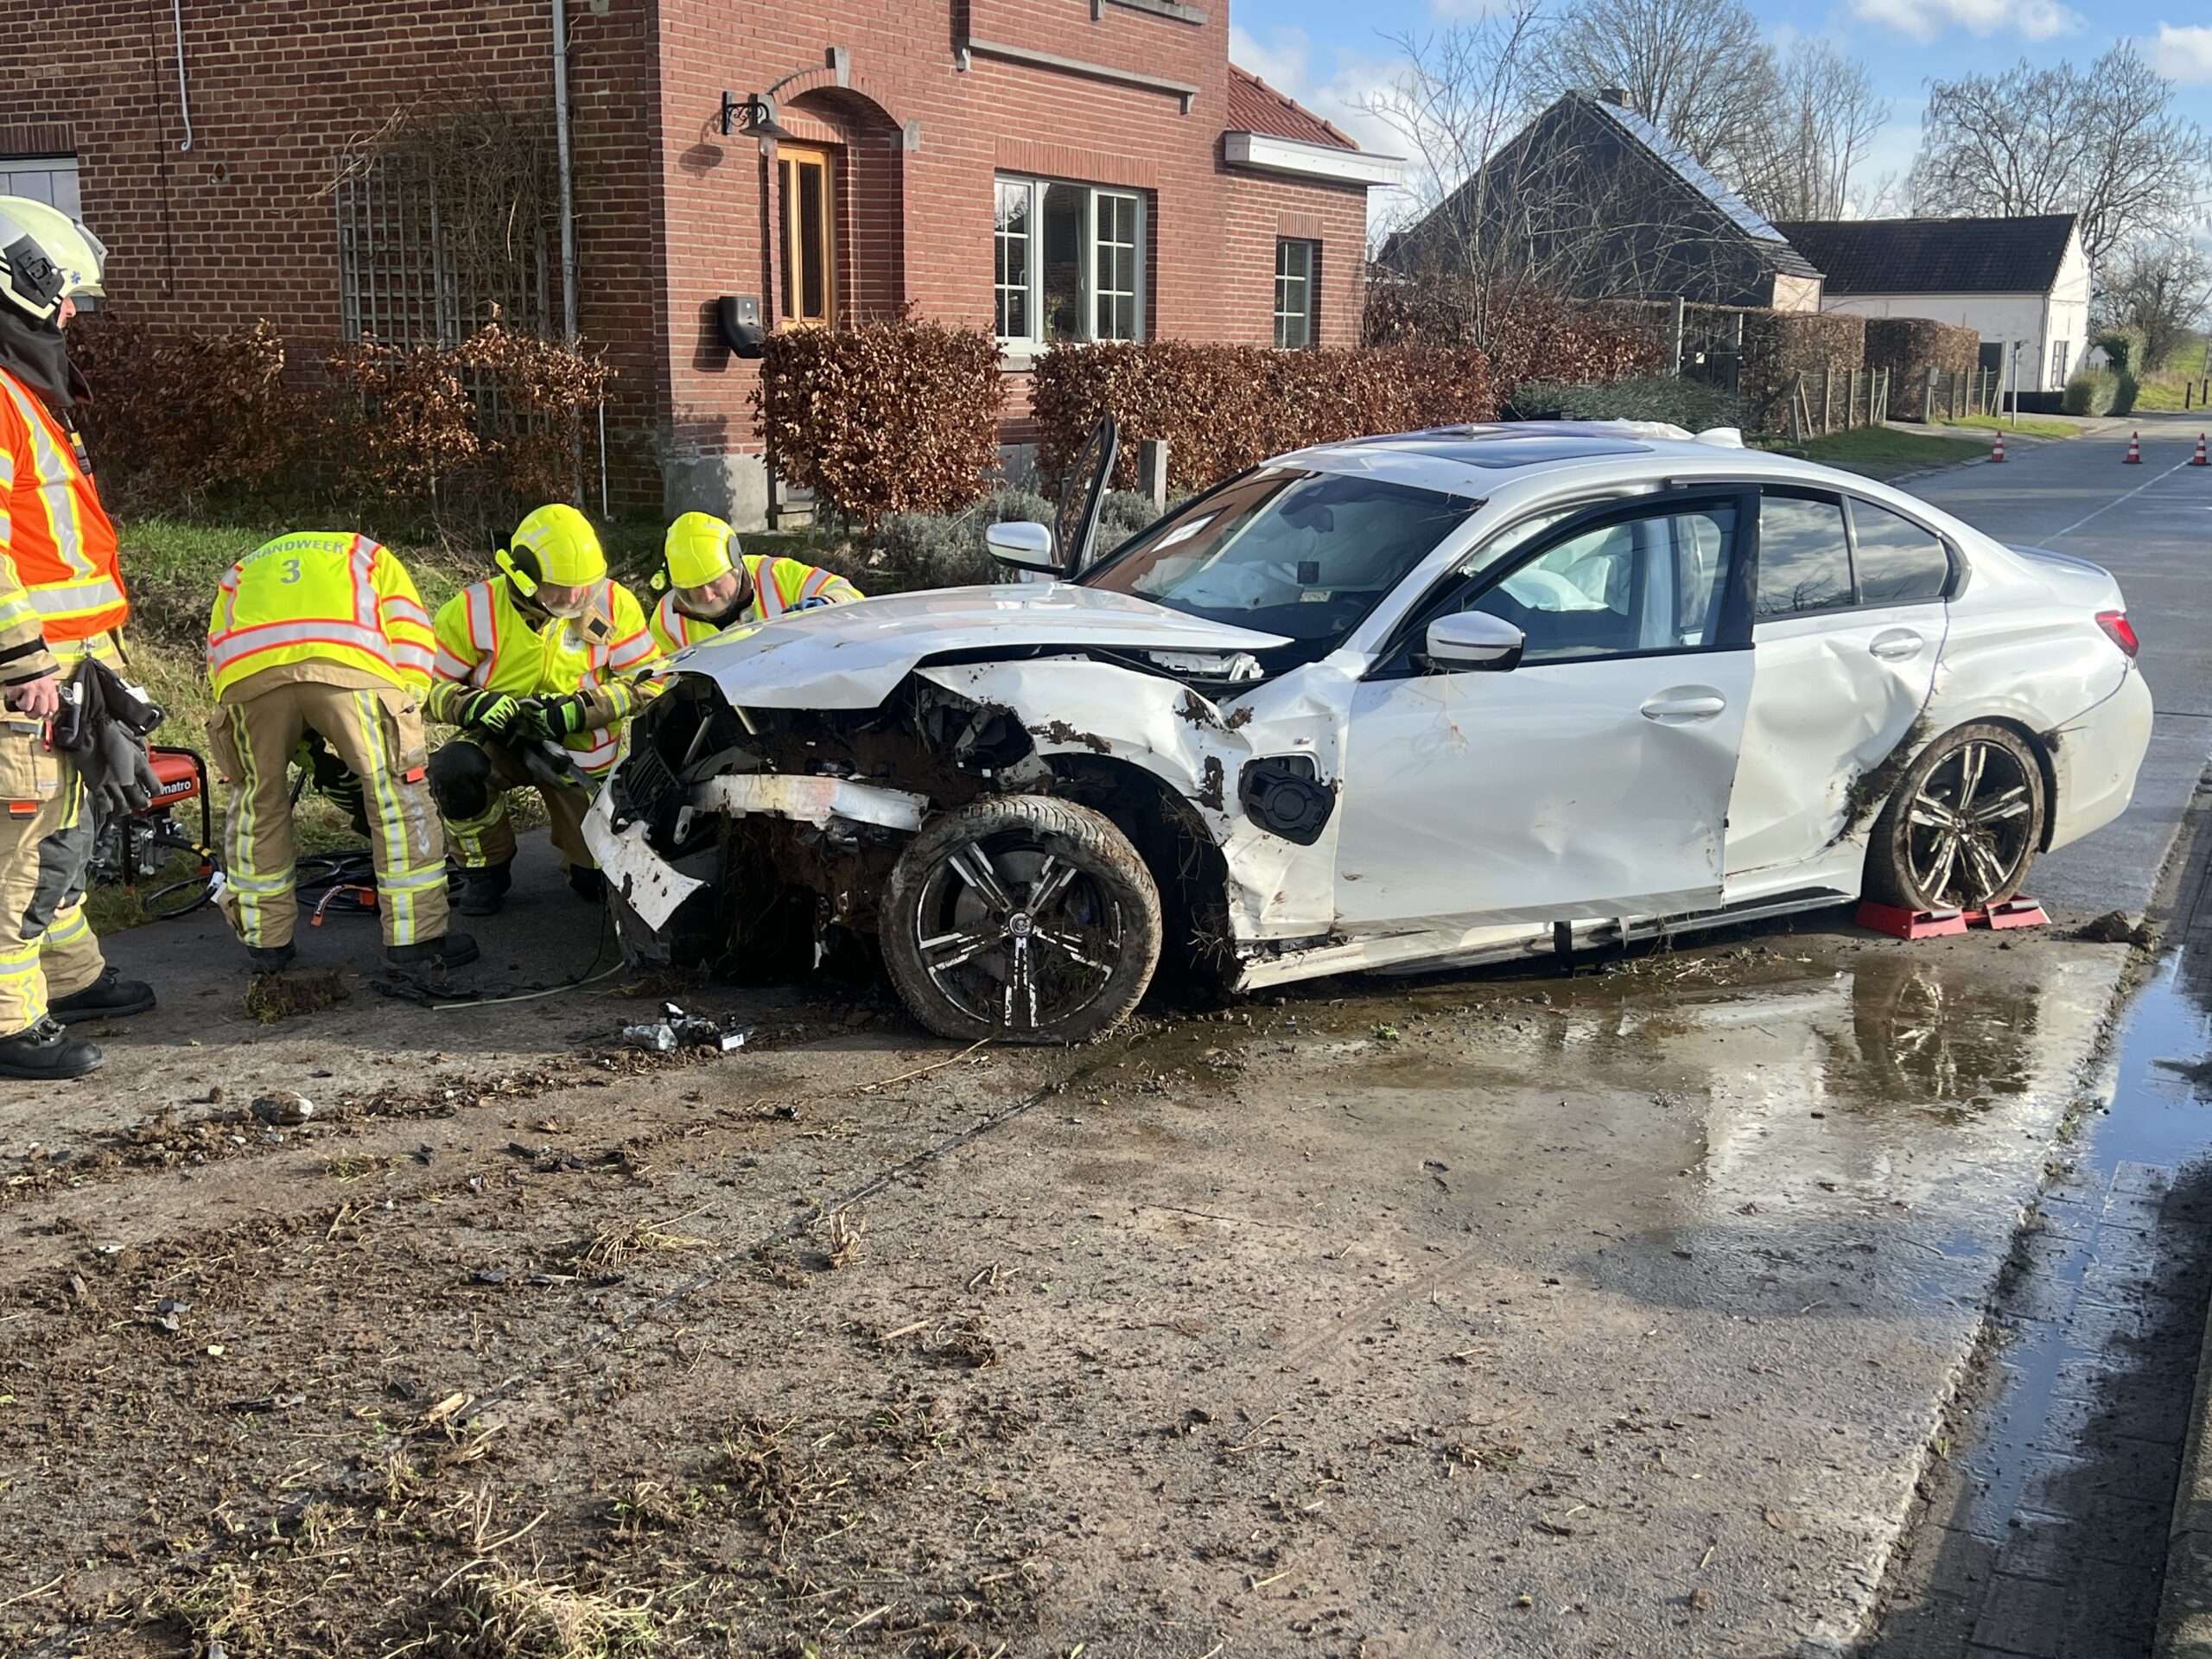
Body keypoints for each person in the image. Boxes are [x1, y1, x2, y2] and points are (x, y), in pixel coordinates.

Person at [0, 195, 156, 1080]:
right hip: (29, 669)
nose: (70, 316)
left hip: (71, 656)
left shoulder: (26, 397)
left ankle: (70, 976)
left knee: (68, 820)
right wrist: (22, 662)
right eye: (64, 298)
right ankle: (9, 1022)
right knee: (23, 843)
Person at [204, 531, 475, 975]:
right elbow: (408, 629)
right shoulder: (366, 553)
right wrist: (405, 700)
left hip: (248, 681)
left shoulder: (244, 566)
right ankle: (416, 939)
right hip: (352, 669)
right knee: (397, 797)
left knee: (257, 800)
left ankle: (266, 942)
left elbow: (218, 645)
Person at [424, 504, 658, 916]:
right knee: (454, 769)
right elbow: (422, 685)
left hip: (578, 755)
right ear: (522, 579)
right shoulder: (473, 609)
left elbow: (651, 680)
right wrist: (471, 705)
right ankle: (486, 870)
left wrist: (581, 711)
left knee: (593, 884)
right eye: (561, 588)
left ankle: (582, 864)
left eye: (585, 585)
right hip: (499, 741)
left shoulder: (613, 603)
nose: (575, 599)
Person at [646, 512, 862, 656]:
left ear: (737, 564)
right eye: (691, 590)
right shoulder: (666, 618)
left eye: (715, 582)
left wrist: (825, 603)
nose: (708, 596)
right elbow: (658, 686)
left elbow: (849, 594)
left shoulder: (778, 575)